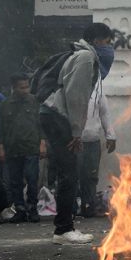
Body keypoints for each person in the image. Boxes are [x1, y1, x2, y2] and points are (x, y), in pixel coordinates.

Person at [39, 23, 112, 244]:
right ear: (98, 40)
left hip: (53, 114)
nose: (110, 48)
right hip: (58, 116)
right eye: (108, 42)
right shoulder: (86, 58)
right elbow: (76, 96)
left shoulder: (81, 55)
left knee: (67, 171)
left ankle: (63, 227)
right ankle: (63, 229)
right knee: (69, 172)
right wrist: (76, 132)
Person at [0, 73, 45, 223]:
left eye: (27, 86)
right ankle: (20, 209)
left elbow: (41, 124)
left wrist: (43, 143)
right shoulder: (5, 104)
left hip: (31, 147)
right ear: (14, 88)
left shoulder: (34, 102)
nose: (25, 90)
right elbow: (1, 128)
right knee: (15, 181)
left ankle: (32, 208)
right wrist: (1, 147)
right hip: (13, 148)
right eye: (21, 87)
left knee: (32, 179)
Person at [78, 39, 116, 217]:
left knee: (91, 175)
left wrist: (111, 136)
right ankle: (71, 208)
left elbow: (105, 114)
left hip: (92, 141)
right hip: (74, 141)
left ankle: (88, 206)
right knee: (73, 175)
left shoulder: (98, 91)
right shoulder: (72, 87)